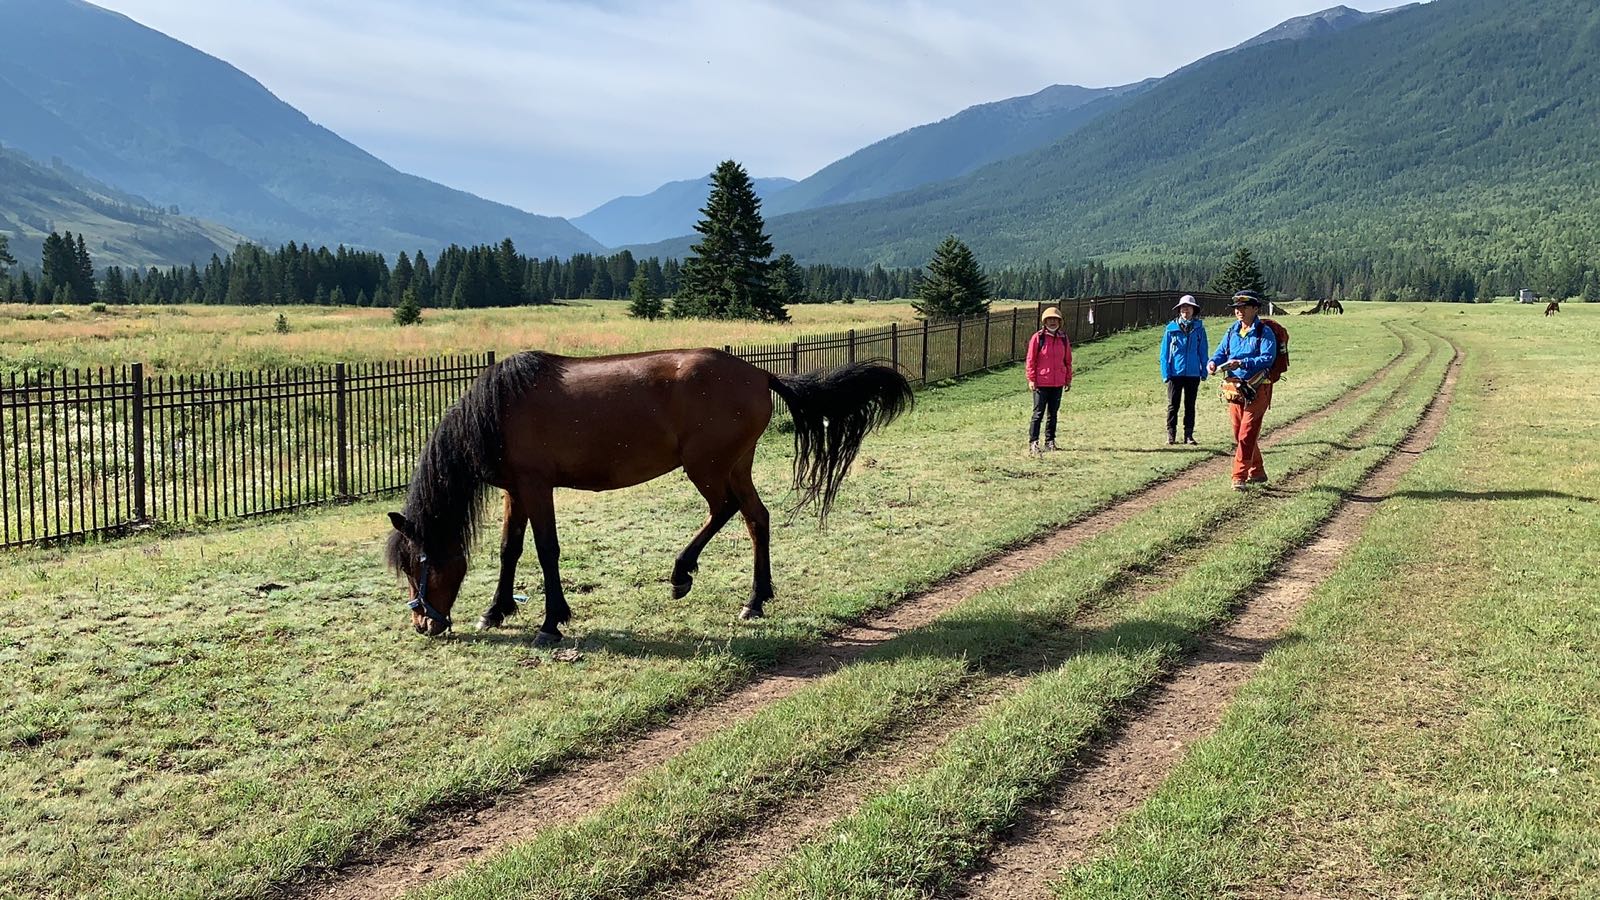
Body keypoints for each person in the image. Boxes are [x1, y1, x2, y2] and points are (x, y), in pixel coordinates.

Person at [1209, 290, 1278, 490]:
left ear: (1255, 309)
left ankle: (1238, 476)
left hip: (1258, 390)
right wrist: (1213, 363)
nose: (1238, 311)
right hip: (1235, 390)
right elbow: (1221, 352)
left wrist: (1242, 363)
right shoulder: (1232, 330)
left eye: (1243, 307)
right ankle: (1257, 471)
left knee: (1246, 434)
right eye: (1236, 308)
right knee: (1239, 432)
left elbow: (1267, 359)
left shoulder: (1265, 332)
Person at [1159, 295, 1208, 445]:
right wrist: (1165, 373)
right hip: (1175, 373)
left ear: (1194, 310)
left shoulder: (1199, 329)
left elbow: (1203, 351)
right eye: (1183, 307)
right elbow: (1164, 354)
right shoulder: (1171, 329)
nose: (1185, 309)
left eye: (1188, 307)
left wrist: (1204, 370)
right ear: (1179, 310)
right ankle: (1171, 435)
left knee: (1190, 405)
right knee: (1173, 405)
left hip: (1193, 373)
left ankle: (1188, 435)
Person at [1025, 305, 1073, 455]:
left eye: (1055, 319)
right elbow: (1031, 360)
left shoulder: (1063, 338)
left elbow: (1068, 360)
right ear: (1044, 321)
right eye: (1049, 319)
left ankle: (1050, 441)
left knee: (1053, 413)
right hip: (1041, 382)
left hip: (1057, 382)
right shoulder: (1038, 338)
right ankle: (1033, 442)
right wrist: (1031, 379)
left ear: (1060, 322)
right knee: (1038, 413)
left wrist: (1068, 378)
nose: (1053, 322)